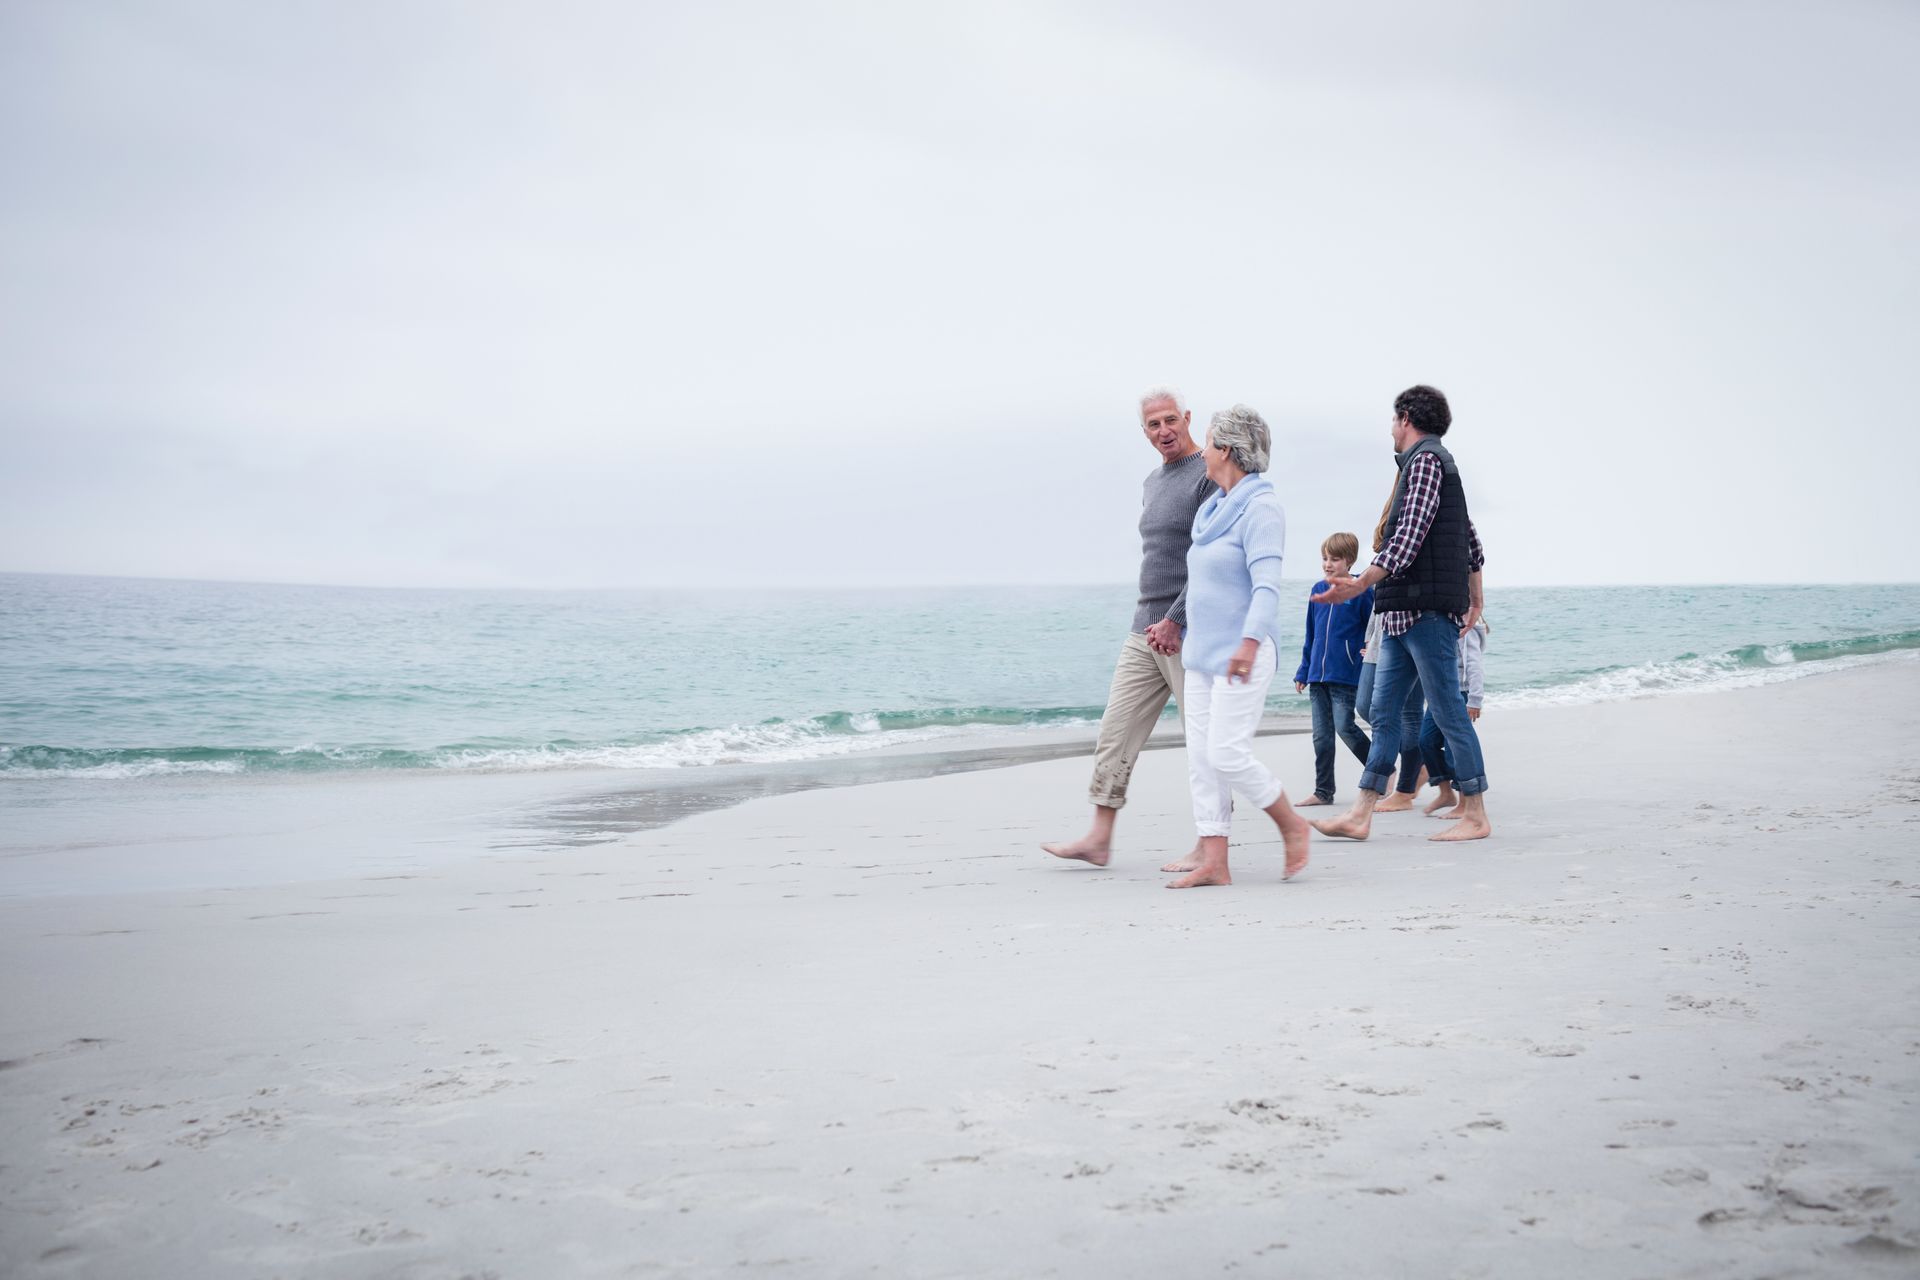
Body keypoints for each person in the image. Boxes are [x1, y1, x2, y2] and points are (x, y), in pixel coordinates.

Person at [1044, 387, 1217, 869]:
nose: (1163, 431)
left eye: (1169, 420)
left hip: (1189, 630)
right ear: (1144, 432)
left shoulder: (1208, 474)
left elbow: (1208, 559)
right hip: (1144, 628)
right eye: (1153, 425)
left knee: (1202, 742)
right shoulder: (1151, 482)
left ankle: (1210, 843)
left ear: (1187, 418)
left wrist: (1176, 619)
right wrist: (1156, 622)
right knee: (1115, 732)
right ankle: (1099, 837)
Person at [1309, 384, 1491, 843]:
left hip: (1425, 612)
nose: (1391, 428)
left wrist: (1362, 581)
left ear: (1406, 417)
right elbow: (1471, 543)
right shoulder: (1427, 467)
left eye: (1393, 420)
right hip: (1399, 614)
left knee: (1448, 711)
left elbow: (1408, 535)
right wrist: (1476, 598)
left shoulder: (1428, 462)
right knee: (1383, 716)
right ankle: (1361, 813)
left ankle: (1476, 813)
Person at [1165, 405, 1313, 888]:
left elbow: (1267, 587)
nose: (1202, 450)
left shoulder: (1262, 508)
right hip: (1203, 654)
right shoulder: (1212, 511)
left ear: (1226, 449)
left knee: (1226, 754)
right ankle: (1214, 862)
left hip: (1242, 651)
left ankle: (1290, 823)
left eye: (1208, 442)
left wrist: (1250, 642)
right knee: (1201, 761)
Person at [1292, 532, 1372, 807]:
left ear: (1348, 561)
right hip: (1318, 676)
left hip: (1345, 674)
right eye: (1325, 558)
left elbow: (1373, 628)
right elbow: (1311, 634)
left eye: (1334, 559)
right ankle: (1323, 791)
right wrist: (1304, 671)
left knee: (1344, 727)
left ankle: (1380, 773)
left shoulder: (1361, 590)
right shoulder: (1317, 589)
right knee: (1321, 736)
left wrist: (1369, 651)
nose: (1328, 563)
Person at [1423, 618, 1489, 818]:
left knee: (1454, 748)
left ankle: (1464, 802)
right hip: (1439, 693)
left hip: (1461, 693)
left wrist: (1475, 699)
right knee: (1426, 741)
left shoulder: (1467, 628)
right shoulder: (1442, 622)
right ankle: (1445, 793)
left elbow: (1474, 664)